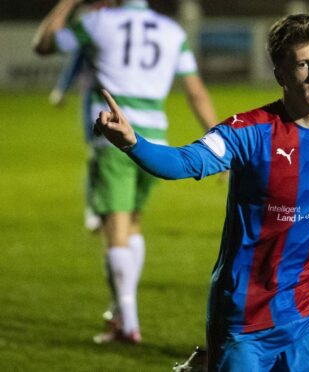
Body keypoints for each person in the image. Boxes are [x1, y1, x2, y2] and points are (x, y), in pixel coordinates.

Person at [95, 13, 309, 371]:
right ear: (280, 75)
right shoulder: (250, 131)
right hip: (242, 317)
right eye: (304, 64)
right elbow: (184, 163)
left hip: (305, 312)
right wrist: (133, 143)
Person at [33, 0, 218, 344]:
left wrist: (67, 3)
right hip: (154, 144)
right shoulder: (172, 31)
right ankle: (122, 314)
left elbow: (44, 45)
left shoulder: (99, 21)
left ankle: (127, 324)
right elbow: (195, 90)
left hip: (115, 137)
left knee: (115, 228)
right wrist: (218, 142)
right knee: (132, 223)